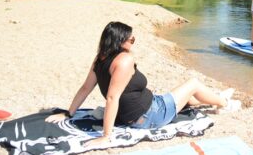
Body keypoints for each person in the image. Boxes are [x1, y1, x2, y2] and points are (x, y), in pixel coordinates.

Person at [46, 21, 241, 147]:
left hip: (142, 108)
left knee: (189, 99)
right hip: (149, 115)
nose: (133, 40)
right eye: (131, 38)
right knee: (194, 83)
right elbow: (112, 98)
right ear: (120, 40)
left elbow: (85, 88)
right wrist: (106, 136)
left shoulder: (101, 58)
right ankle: (224, 104)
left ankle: (213, 100)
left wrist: (69, 113)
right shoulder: (124, 60)